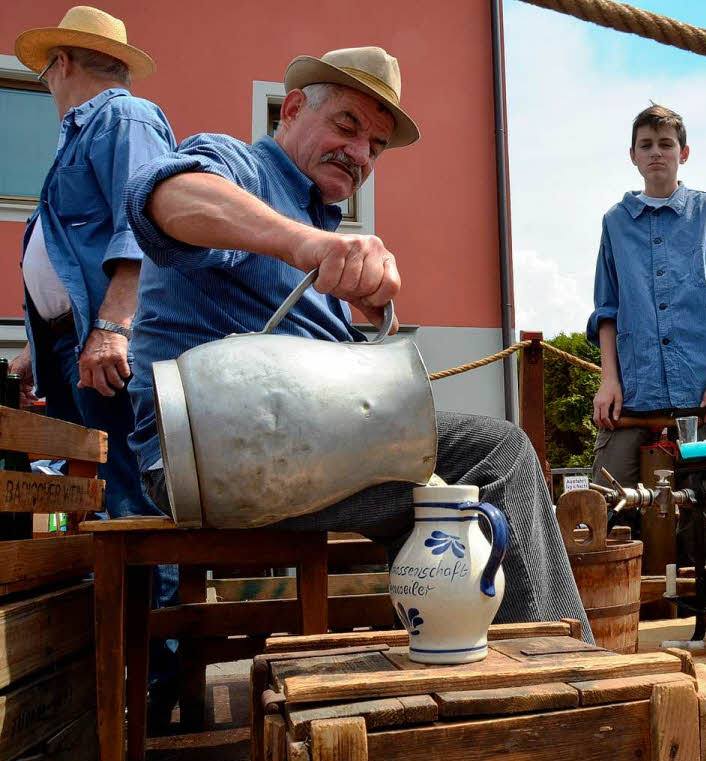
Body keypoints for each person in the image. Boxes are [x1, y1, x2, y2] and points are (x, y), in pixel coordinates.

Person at [123, 48, 591, 643]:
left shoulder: (318, 221)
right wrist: (304, 248)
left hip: (280, 447)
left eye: (376, 145)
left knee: (457, 498)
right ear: (290, 110)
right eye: (348, 125)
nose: (362, 153)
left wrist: (361, 327)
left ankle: (467, 658)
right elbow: (165, 199)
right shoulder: (239, 166)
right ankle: (553, 665)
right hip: (199, 453)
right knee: (494, 457)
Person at [10, 7, 175, 520]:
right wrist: (33, 352)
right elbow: (71, 255)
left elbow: (145, 226)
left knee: (125, 486)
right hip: (77, 342)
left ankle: (143, 603)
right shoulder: (90, 130)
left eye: (44, 74)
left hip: (108, 345)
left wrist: (111, 328)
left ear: (61, 62)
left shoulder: (123, 118)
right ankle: (110, 597)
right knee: (98, 490)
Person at [587, 104, 706, 563]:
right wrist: (610, 379)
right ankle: (623, 602)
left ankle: (698, 603)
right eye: (647, 145)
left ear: (684, 152)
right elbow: (608, 308)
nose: (656, 153)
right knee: (606, 494)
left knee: (699, 505)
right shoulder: (615, 222)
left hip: (702, 385)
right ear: (633, 155)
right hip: (636, 390)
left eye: (666, 144)